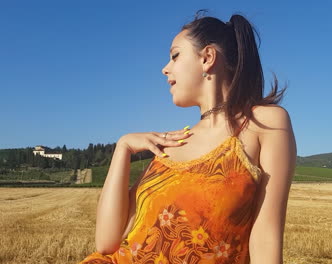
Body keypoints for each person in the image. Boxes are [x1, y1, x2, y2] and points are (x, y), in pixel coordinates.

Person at [79, 9, 296, 264]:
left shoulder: (263, 123)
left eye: (175, 56)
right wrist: (123, 147)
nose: (164, 69)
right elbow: (106, 242)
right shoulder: (170, 145)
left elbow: (265, 235)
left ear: (207, 57)